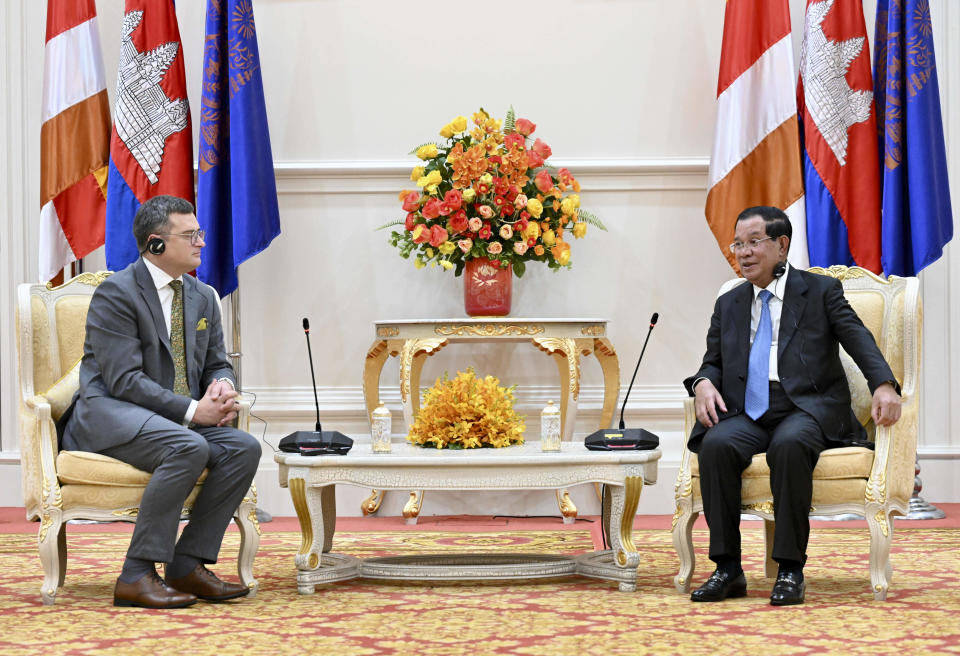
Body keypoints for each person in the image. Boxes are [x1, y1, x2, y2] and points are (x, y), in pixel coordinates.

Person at [684, 205, 901, 606]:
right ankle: (728, 568)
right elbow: (712, 361)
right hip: (747, 411)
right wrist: (701, 384)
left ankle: (789, 569)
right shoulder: (729, 303)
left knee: (790, 446)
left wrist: (884, 384)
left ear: (781, 245)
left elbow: (858, 339)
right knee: (715, 445)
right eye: (738, 244)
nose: (743, 253)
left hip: (807, 407)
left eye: (754, 243)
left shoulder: (819, 292)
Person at [62, 195, 261, 608]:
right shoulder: (116, 294)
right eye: (190, 235)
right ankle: (135, 574)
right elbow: (123, 380)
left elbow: (217, 363)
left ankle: (187, 564)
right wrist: (194, 411)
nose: (201, 243)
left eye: (199, 233)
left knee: (244, 448)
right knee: (188, 444)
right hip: (110, 414)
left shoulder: (202, 296)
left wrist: (221, 385)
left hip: (171, 419)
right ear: (155, 244)